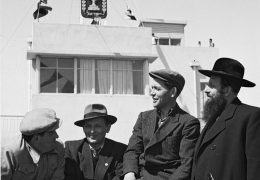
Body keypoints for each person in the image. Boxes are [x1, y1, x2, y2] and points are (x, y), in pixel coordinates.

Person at [123, 69, 200, 180]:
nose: (152, 93)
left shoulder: (188, 123)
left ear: (173, 92)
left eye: (157, 89)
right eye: (152, 88)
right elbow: (132, 150)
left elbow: (186, 164)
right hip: (141, 176)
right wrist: (129, 173)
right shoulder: (144, 117)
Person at [191, 57, 260, 180]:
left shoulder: (251, 116)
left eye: (211, 85)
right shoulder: (214, 117)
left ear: (227, 89)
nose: (205, 90)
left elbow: (255, 168)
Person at [64, 103, 127, 180]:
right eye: (88, 126)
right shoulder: (71, 149)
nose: (92, 131)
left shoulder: (120, 151)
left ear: (108, 128)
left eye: (97, 126)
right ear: (83, 128)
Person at [1, 108, 64, 180]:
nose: (57, 136)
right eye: (51, 133)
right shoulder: (9, 152)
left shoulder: (58, 148)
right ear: (36, 138)